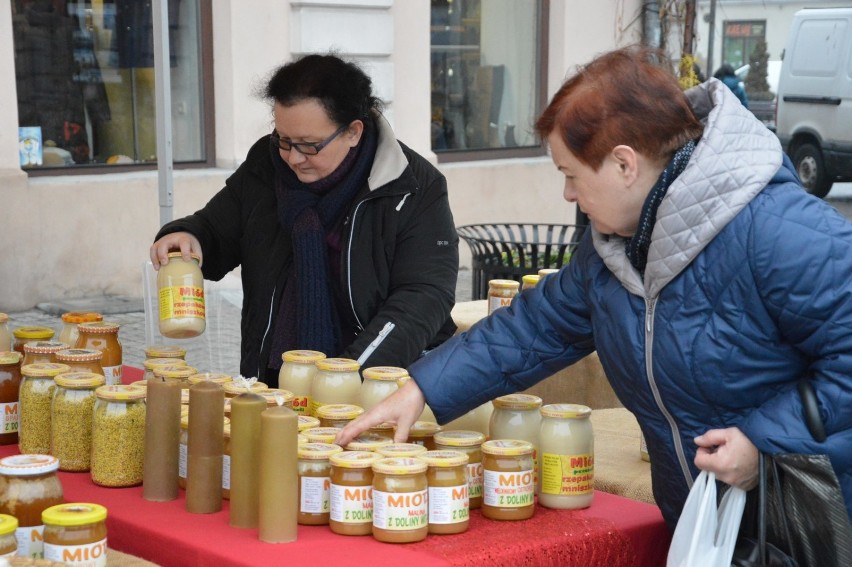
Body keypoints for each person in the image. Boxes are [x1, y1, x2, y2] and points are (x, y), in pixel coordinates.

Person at [338, 46, 852, 530]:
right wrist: (423, 388)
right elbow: (533, 328)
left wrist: (763, 445)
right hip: (710, 527)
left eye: (571, 174)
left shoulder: (782, 231)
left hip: (818, 526)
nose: (567, 193)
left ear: (625, 165)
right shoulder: (617, 247)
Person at [150, 54, 459, 384]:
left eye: (310, 146)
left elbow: (423, 298)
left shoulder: (412, 186)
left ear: (353, 131)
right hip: (277, 381)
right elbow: (216, 228)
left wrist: (347, 375)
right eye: (283, 140)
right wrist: (188, 235)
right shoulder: (266, 164)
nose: (293, 158)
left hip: (380, 385)